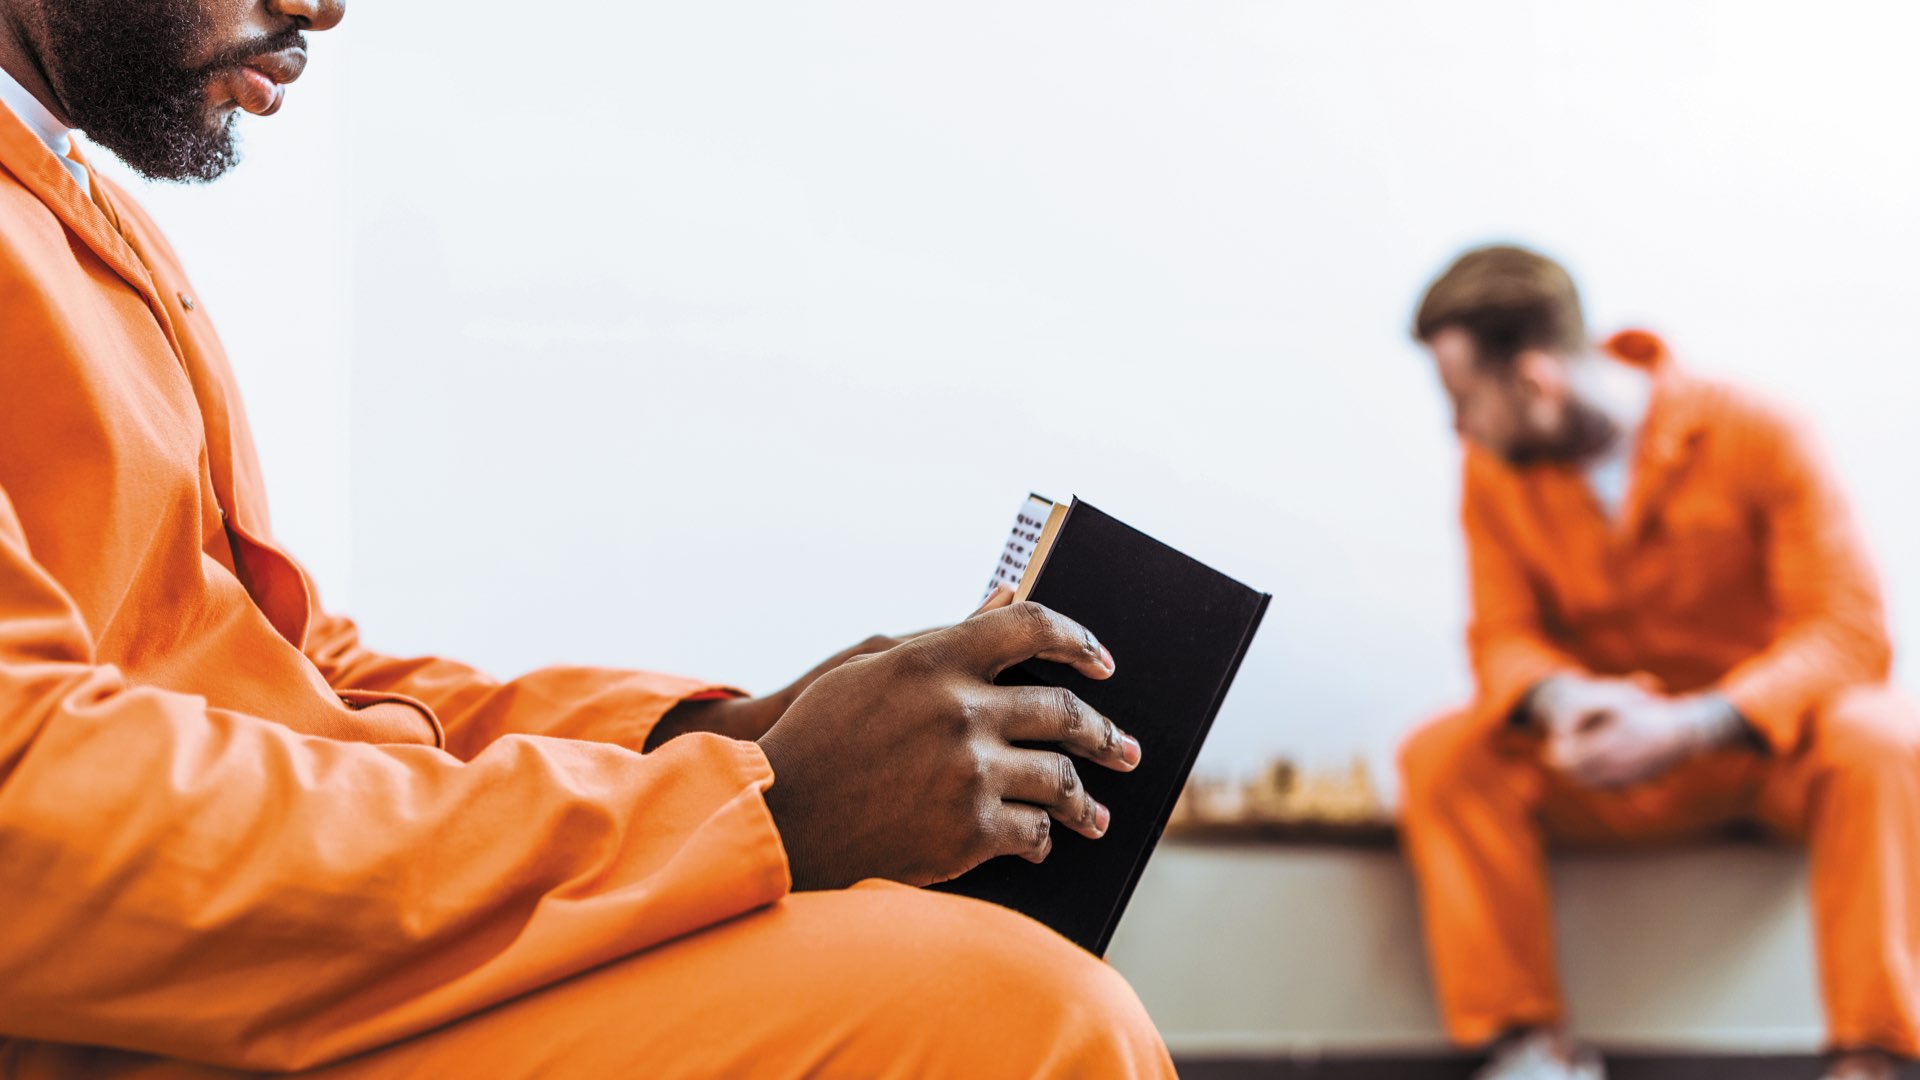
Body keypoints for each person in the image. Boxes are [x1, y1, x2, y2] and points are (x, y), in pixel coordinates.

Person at [0, 1, 1175, 1076]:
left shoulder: (81, 212)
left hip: (290, 934)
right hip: (144, 1008)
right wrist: (755, 810)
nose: (323, 6)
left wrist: (709, 738)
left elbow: (302, 677)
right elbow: (27, 810)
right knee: (1023, 1018)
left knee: (991, 977)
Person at [1398, 244, 1920, 1080]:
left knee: (1883, 740)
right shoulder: (1491, 472)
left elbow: (1850, 629)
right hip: (1601, 760)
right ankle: (1527, 1051)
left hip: (1760, 755)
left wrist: (1691, 725)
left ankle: (1873, 1057)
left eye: (1461, 400)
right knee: (1443, 757)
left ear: (1535, 381)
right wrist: (1564, 701)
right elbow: (1499, 636)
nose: (1455, 427)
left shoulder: (1759, 431)